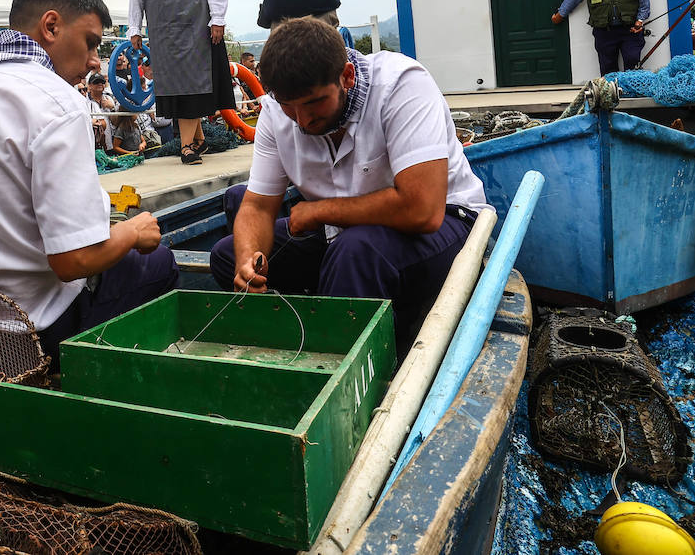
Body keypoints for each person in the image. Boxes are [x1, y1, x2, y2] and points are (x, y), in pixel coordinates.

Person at [0, 0, 177, 359]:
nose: (95, 62)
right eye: (90, 42)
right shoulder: (57, 102)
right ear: (51, 26)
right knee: (158, 263)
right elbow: (74, 260)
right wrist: (133, 232)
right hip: (28, 334)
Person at [208, 18, 490, 350]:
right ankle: (305, 333)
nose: (302, 121)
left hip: (445, 224)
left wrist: (318, 211)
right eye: (289, 107)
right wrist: (247, 260)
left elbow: (423, 210)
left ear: (347, 76)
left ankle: (356, 368)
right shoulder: (274, 110)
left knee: (356, 254)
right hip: (342, 235)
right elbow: (256, 205)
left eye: (314, 103)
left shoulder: (400, 86)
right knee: (225, 256)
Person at [128, 0, 236, 164]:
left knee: (193, 79)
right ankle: (198, 139)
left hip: (193, 17)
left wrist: (218, 20)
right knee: (172, 82)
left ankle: (186, 146)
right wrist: (134, 28)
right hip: (160, 22)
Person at [83, 73, 117, 149]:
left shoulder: (109, 98)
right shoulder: (84, 101)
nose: (100, 84)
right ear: (89, 86)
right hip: (93, 145)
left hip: (109, 143)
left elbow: (115, 123)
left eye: (102, 82)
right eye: (96, 82)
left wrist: (112, 108)